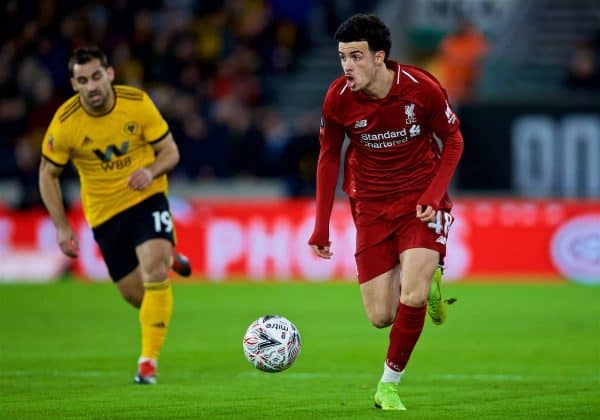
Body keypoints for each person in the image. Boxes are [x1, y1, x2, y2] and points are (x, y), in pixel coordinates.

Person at [308, 14, 463, 410]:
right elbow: (328, 159)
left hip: (419, 203)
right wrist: (321, 226)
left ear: (379, 57)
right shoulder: (338, 97)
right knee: (380, 316)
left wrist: (433, 194)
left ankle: (388, 385)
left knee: (410, 291)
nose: (347, 66)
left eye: (356, 56)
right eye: (342, 57)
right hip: (372, 206)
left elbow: (453, 139)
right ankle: (427, 283)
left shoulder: (421, 88)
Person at [38, 46, 192, 385]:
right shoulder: (65, 124)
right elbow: (47, 174)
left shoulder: (136, 103)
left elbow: (170, 152)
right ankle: (169, 255)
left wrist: (150, 171)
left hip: (145, 196)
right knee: (137, 296)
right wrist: (62, 227)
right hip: (104, 213)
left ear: (109, 74)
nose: (91, 86)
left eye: (96, 76)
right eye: (82, 80)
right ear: (74, 84)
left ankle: (147, 363)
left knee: (153, 269)